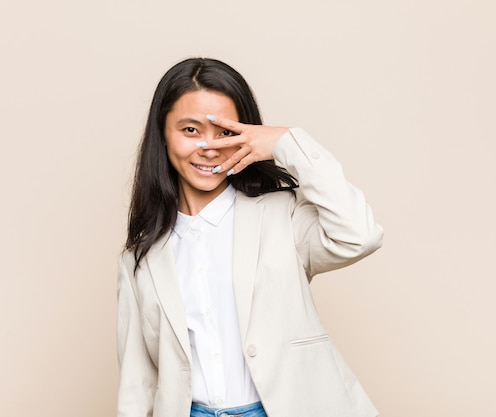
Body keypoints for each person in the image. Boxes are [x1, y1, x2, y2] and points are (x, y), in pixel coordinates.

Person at [117, 57, 384, 417]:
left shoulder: (282, 216)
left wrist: (288, 142)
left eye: (225, 132)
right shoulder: (141, 256)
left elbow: (360, 235)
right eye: (190, 130)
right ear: (163, 136)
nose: (209, 147)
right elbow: (138, 379)